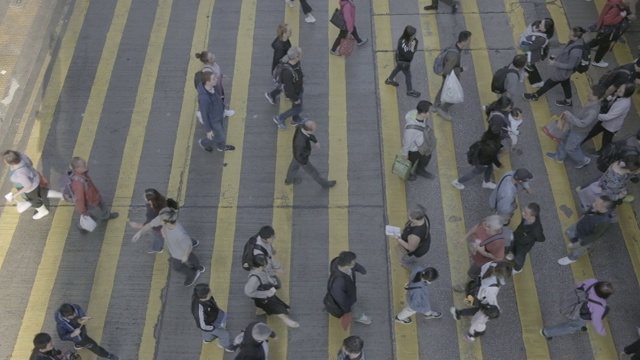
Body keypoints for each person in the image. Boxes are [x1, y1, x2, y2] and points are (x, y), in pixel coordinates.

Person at [132, 207, 204, 286]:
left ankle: (193, 274)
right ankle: (198, 267)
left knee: (177, 267)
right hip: (176, 246)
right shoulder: (166, 221)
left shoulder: (179, 234)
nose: (159, 220)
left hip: (178, 253)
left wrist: (185, 256)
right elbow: (150, 224)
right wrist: (140, 232)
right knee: (191, 257)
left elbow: (188, 245)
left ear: (166, 222)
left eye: (161, 219)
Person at [523, 27, 587, 107]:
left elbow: (571, 66)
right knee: (565, 83)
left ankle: (535, 96)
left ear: (576, 37)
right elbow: (566, 52)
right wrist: (557, 57)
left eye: (570, 34)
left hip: (563, 72)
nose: (569, 34)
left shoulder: (576, 52)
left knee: (549, 83)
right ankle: (568, 101)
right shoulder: (574, 41)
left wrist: (555, 63)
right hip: (564, 72)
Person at [546, 85, 605, 168]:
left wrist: (570, 117)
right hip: (574, 127)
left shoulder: (593, 111)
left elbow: (583, 123)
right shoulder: (592, 102)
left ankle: (583, 161)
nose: (588, 94)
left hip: (579, 132)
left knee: (570, 148)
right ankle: (560, 156)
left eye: (590, 93)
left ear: (595, 97)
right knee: (564, 139)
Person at [541, 279, 613, 339]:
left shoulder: (593, 281)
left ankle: (579, 328)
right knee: (573, 326)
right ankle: (546, 332)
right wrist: (601, 331)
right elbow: (596, 321)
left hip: (571, 301)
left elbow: (578, 285)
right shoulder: (599, 307)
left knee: (578, 323)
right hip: (576, 312)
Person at [244, 254, 299, 328]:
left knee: (261, 304)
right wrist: (265, 294)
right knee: (276, 307)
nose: (269, 263)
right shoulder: (254, 279)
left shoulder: (259, 269)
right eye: (267, 263)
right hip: (264, 295)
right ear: (261, 266)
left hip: (264, 291)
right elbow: (248, 292)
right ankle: (287, 321)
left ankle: (260, 311)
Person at [557, 196, 616, 265]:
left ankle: (571, 258)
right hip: (580, 227)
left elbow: (594, 236)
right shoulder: (595, 207)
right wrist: (577, 222)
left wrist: (579, 244)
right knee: (569, 233)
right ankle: (573, 241)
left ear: (604, 208)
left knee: (578, 250)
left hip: (584, 237)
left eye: (596, 204)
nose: (593, 204)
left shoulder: (604, 222)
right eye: (595, 202)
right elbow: (585, 215)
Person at [3, 150, 61, 219]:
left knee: (35, 201)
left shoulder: (19, 173)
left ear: (10, 163)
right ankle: (61, 195)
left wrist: (15, 195)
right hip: (36, 178)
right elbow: (30, 163)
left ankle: (43, 212)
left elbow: (28, 185)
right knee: (42, 192)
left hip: (30, 189)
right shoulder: (22, 157)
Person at [581, 83, 635, 154]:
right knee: (592, 131)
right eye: (620, 88)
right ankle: (579, 142)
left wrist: (595, 115)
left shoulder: (623, 105)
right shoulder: (619, 95)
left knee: (606, 140)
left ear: (626, 94)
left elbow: (609, 117)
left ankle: (602, 153)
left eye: (621, 91)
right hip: (604, 120)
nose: (618, 90)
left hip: (611, 125)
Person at [68, 157, 119, 230]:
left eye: (85, 163)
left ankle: (106, 216)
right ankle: (81, 227)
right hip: (90, 201)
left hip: (94, 196)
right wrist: (83, 211)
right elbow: (79, 200)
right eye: (83, 165)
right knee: (87, 215)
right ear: (77, 168)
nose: (86, 166)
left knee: (102, 204)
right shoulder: (78, 184)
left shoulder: (81, 174)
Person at [54, 303, 119, 360]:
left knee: (84, 336)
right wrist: (73, 334)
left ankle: (78, 345)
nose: (75, 316)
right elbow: (62, 337)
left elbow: (81, 315)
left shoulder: (76, 307)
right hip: (80, 338)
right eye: (72, 316)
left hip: (82, 330)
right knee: (94, 346)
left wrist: (83, 318)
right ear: (65, 316)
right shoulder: (60, 325)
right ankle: (107, 355)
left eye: (74, 313)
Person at [433, 31, 472, 121]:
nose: (470, 42)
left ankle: (436, 105)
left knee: (443, 88)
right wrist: (461, 69)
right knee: (455, 96)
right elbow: (447, 71)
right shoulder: (454, 56)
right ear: (463, 41)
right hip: (450, 75)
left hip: (447, 72)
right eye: (469, 40)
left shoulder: (454, 46)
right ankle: (442, 109)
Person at [285, 120, 336, 188]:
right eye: (313, 131)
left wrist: (315, 141)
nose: (314, 132)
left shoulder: (301, 127)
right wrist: (304, 163)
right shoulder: (301, 143)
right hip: (301, 157)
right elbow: (298, 156)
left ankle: (289, 180)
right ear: (308, 130)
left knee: (294, 166)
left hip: (297, 154)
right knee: (312, 171)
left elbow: (309, 135)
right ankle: (324, 184)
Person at [326, 251, 371, 327]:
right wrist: (347, 310)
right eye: (353, 263)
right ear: (347, 265)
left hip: (347, 291)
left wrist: (361, 269)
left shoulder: (336, 261)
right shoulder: (337, 283)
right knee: (353, 307)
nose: (355, 264)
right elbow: (341, 299)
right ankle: (359, 316)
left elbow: (355, 266)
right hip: (348, 298)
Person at [128, 189, 176, 254]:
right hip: (172, 224)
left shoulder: (152, 212)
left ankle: (157, 248)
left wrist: (137, 225)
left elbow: (149, 224)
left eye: (145, 196)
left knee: (158, 238)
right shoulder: (163, 201)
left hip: (159, 229)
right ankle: (189, 242)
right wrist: (139, 232)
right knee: (178, 235)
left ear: (150, 201)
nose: (143, 196)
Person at [196, 72, 235, 152]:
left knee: (220, 133)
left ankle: (221, 147)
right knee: (219, 136)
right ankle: (204, 143)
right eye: (214, 79)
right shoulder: (204, 98)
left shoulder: (212, 88)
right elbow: (204, 115)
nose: (216, 79)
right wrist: (208, 130)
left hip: (219, 115)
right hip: (214, 120)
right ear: (208, 82)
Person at [191, 283, 235, 352]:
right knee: (224, 334)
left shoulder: (198, 295)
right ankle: (225, 345)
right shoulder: (198, 310)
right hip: (211, 323)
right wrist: (213, 327)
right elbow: (202, 326)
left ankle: (207, 339)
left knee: (207, 332)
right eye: (209, 293)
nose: (211, 293)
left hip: (213, 315)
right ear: (204, 297)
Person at [588, 0, 630, 68]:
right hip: (608, 31)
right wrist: (621, 16)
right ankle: (597, 61)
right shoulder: (617, 8)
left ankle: (583, 47)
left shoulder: (615, 3)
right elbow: (607, 21)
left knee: (598, 40)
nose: (630, 2)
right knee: (604, 46)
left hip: (604, 29)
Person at [401, 100, 436, 181]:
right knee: (410, 163)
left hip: (423, 144)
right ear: (424, 113)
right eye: (430, 111)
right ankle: (407, 174)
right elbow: (407, 142)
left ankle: (420, 170)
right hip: (414, 150)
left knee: (427, 157)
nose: (431, 112)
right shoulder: (410, 130)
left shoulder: (419, 115)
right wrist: (405, 153)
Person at [273, 47, 305, 129]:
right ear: (296, 57)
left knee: (297, 106)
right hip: (294, 92)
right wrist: (295, 98)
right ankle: (280, 118)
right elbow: (289, 88)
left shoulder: (296, 62)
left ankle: (296, 119)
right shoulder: (287, 72)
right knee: (298, 108)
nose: (302, 55)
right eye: (300, 54)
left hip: (298, 88)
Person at [391, 205, 432, 269]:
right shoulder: (423, 217)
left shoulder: (415, 235)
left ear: (415, 219)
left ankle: (406, 264)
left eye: (409, 215)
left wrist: (398, 238)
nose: (408, 214)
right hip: (423, 241)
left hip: (411, 249)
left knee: (403, 259)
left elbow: (410, 248)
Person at [194, 50, 234, 116]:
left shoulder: (213, 64)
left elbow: (217, 72)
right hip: (215, 89)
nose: (214, 57)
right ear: (207, 61)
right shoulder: (207, 70)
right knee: (218, 100)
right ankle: (221, 112)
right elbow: (209, 82)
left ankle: (220, 111)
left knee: (219, 99)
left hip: (218, 86)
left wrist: (221, 76)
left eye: (212, 55)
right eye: (211, 58)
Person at [385, 25, 421, 98]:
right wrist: (413, 48)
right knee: (408, 75)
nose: (415, 36)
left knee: (397, 69)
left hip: (399, 59)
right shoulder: (411, 43)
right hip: (404, 62)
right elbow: (409, 57)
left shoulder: (401, 39)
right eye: (413, 35)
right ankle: (409, 91)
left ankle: (390, 80)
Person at [519, 18, 555, 88]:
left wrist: (521, 46)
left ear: (546, 29)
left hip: (533, 54)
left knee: (529, 65)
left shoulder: (541, 39)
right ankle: (536, 80)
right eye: (541, 22)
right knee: (530, 65)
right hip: (532, 52)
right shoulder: (538, 26)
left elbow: (530, 47)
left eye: (542, 25)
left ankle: (536, 81)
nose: (539, 25)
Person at [510, 203, 545, 273]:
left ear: (532, 216)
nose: (522, 213)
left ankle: (517, 269)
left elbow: (541, 238)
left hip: (523, 245)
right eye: (524, 210)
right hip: (517, 234)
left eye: (525, 212)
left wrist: (529, 239)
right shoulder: (526, 217)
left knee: (519, 259)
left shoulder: (536, 230)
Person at [265, 24, 292, 105]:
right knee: (283, 84)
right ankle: (272, 95)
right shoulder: (281, 47)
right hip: (280, 70)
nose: (291, 32)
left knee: (286, 83)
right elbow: (279, 61)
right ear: (284, 33)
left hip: (282, 68)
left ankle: (288, 93)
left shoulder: (283, 39)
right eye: (289, 31)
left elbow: (273, 44)